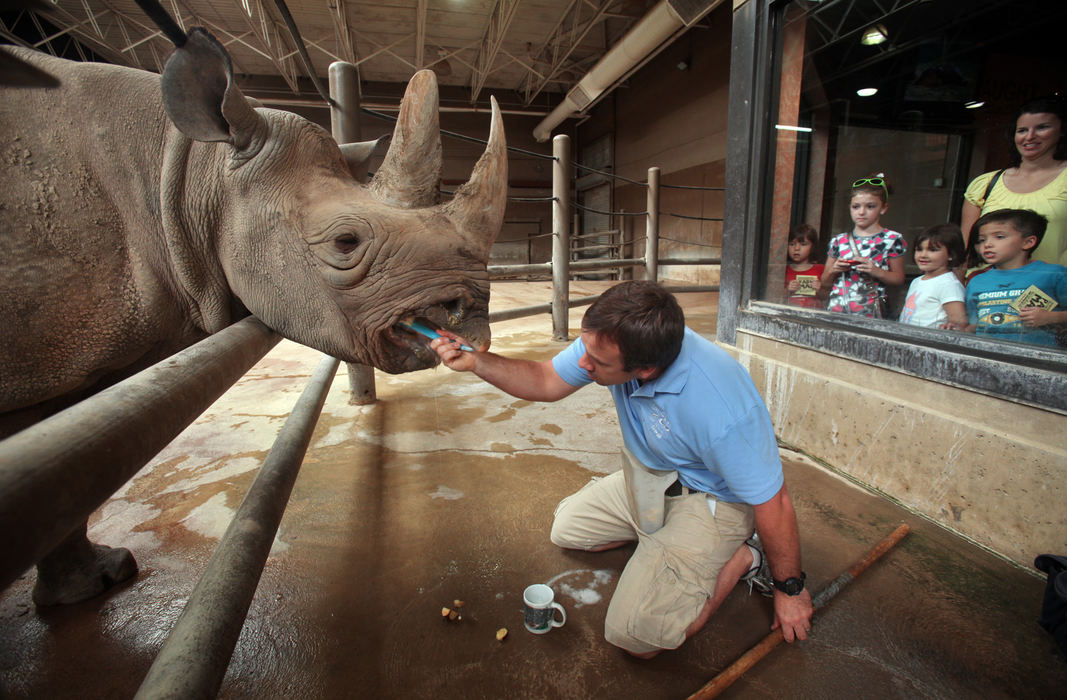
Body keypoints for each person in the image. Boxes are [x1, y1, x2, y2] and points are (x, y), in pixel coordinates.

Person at [429, 281, 813, 657]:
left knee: (637, 635)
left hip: (714, 501)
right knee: (567, 528)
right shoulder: (614, 339)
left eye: (596, 362)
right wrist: (477, 361)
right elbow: (546, 380)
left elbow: (774, 500)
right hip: (655, 477)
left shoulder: (721, 407)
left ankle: (744, 556)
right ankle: (662, 549)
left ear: (644, 369)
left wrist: (790, 589)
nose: (582, 363)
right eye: (586, 349)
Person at [961, 97, 1067, 266]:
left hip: (1052, 289)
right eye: (1022, 130)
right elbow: (965, 250)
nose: (1030, 136)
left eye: (1042, 127)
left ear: (1062, 130)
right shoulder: (985, 184)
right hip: (986, 289)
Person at [965, 209, 1067, 347]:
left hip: (1039, 360)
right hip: (987, 357)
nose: (987, 244)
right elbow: (972, 325)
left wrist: (1051, 317)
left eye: (999, 237)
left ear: (1028, 242)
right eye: (981, 240)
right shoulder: (976, 281)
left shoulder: (1053, 275)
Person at [820, 175, 907, 317]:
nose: (861, 212)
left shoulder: (892, 239)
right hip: (837, 311)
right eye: (856, 206)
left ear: (883, 208)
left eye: (870, 206)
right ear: (850, 208)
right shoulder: (839, 240)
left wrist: (876, 271)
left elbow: (898, 279)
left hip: (870, 313)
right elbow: (824, 281)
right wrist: (834, 270)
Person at [898, 223, 968, 329]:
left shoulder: (948, 284)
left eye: (932, 250)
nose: (923, 255)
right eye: (919, 249)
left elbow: (959, 321)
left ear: (951, 255)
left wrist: (950, 328)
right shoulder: (917, 281)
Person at [784, 224, 825, 308]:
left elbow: (828, 297)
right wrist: (788, 290)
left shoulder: (821, 270)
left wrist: (820, 290)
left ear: (812, 247)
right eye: (792, 244)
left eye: (803, 244)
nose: (796, 248)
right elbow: (773, 295)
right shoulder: (783, 270)